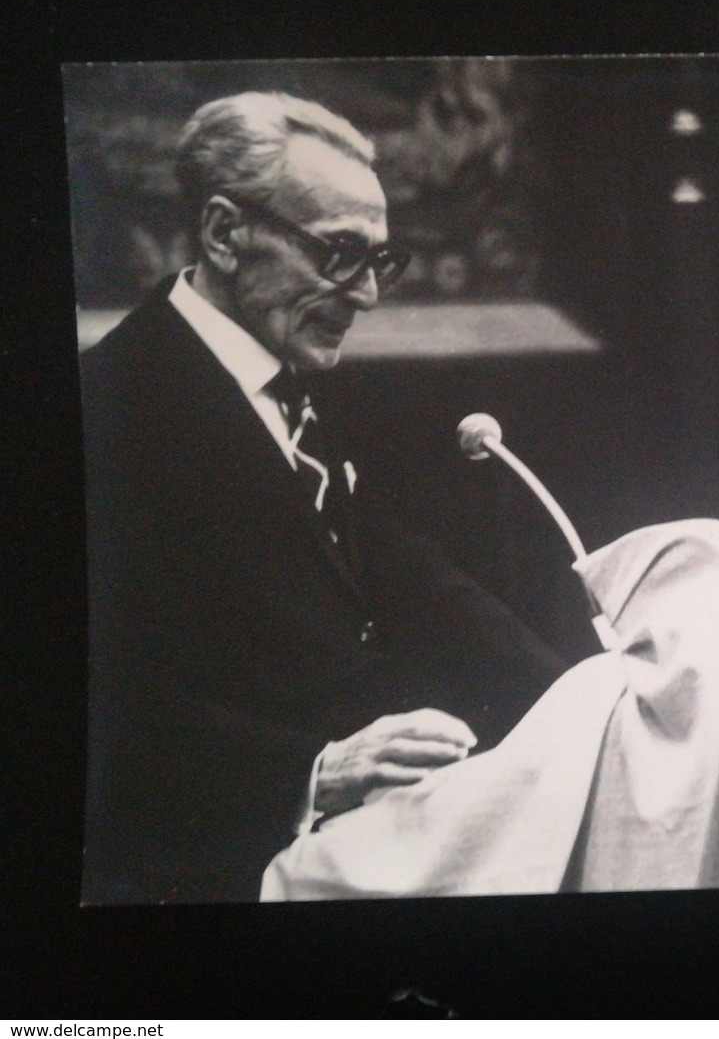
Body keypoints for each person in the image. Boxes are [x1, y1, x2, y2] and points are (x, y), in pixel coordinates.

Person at [80, 92, 565, 904]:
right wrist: (314, 771)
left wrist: (584, 696)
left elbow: (406, 574)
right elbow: (95, 710)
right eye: (339, 253)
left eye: (379, 259)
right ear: (226, 233)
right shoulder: (104, 410)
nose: (368, 295)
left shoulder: (287, 368)